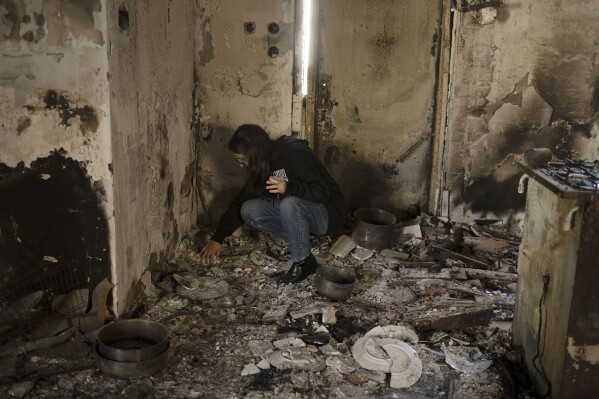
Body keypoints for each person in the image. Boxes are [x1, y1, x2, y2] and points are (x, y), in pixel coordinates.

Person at [199, 124, 346, 284]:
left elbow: (322, 192)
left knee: (289, 204)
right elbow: (240, 200)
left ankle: (304, 263)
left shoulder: (295, 153)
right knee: (248, 209)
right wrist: (218, 238)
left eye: (242, 159)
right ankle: (307, 240)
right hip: (305, 212)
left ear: (254, 152)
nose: (241, 165)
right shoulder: (263, 165)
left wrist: (288, 188)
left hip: (330, 214)